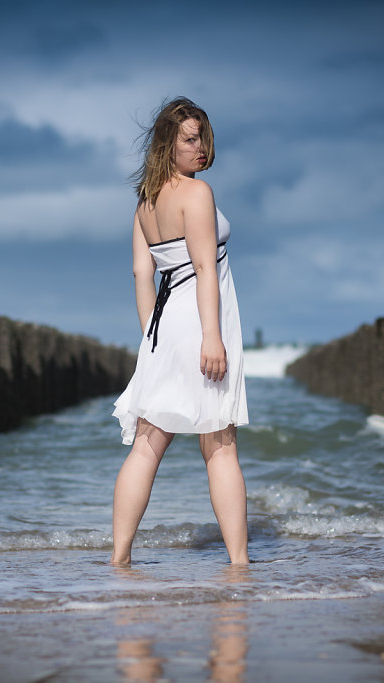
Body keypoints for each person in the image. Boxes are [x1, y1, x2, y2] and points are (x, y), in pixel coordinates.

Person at [111, 97, 249, 565]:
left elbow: (139, 275)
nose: (201, 148)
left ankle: (119, 558)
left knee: (147, 444)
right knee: (220, 445)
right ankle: (239, 564)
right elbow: (206, 270)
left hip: (162, 328)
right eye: (190, 139)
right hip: (200, 322)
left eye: (204, 138)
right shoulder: (198, 194)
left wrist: (152, 339)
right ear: (167, 144)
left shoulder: (145, 203)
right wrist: (212, 336)